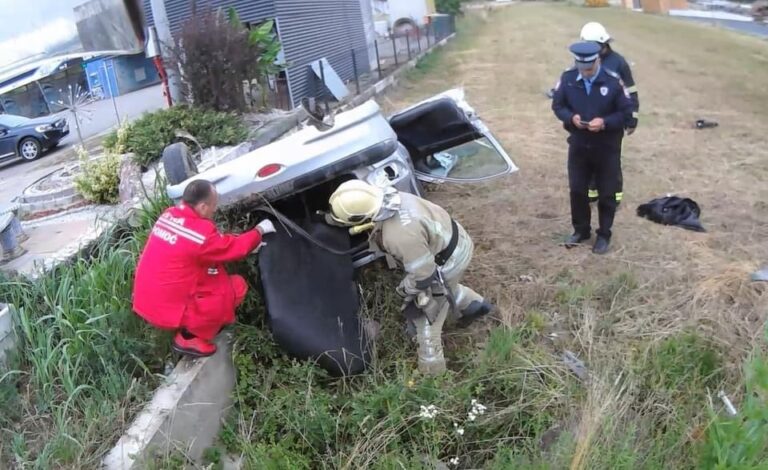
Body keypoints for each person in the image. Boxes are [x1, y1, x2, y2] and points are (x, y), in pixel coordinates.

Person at [325, 180, 492, 375]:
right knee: (446, 290)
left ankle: (433, 375)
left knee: (425, 316)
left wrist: (405, 290)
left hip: (448, 260)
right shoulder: (396, 198)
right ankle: (475, 305)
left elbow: (423, 274)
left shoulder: (397, 236)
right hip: (453, 240)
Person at [132, 179, 276, 357]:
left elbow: (202, 247)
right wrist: (259, 231)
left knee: (213, 278)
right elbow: (231, 247)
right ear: (201, 206)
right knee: (234, 288)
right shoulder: (201, 234)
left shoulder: (169, 215)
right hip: (165, 309)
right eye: (213, 205)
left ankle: (196, 324)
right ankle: (190, 337)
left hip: (148, 301)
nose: (215, 210)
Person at [551, 41, 633, 254]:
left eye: (589, 69)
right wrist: (571, 117)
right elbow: (558, 105)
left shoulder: (613, 83)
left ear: (597, 61)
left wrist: (604, 122)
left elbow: (625, 112)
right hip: (579, 145)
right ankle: (581, 230)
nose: (585, 74)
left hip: (606, 148)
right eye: (582, 69)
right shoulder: (568, 79)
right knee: (578, 190)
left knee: (607, 193)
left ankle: (604, 234)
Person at [580, 21, 640, 206]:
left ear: (602, 43)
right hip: (589, 122)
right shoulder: (585, 59)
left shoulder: (618, 62)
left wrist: (632, 119)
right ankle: (592, 192)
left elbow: (631, 91)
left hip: (612, 122)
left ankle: (614, 196)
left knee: (610, 161)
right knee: (589, 158)